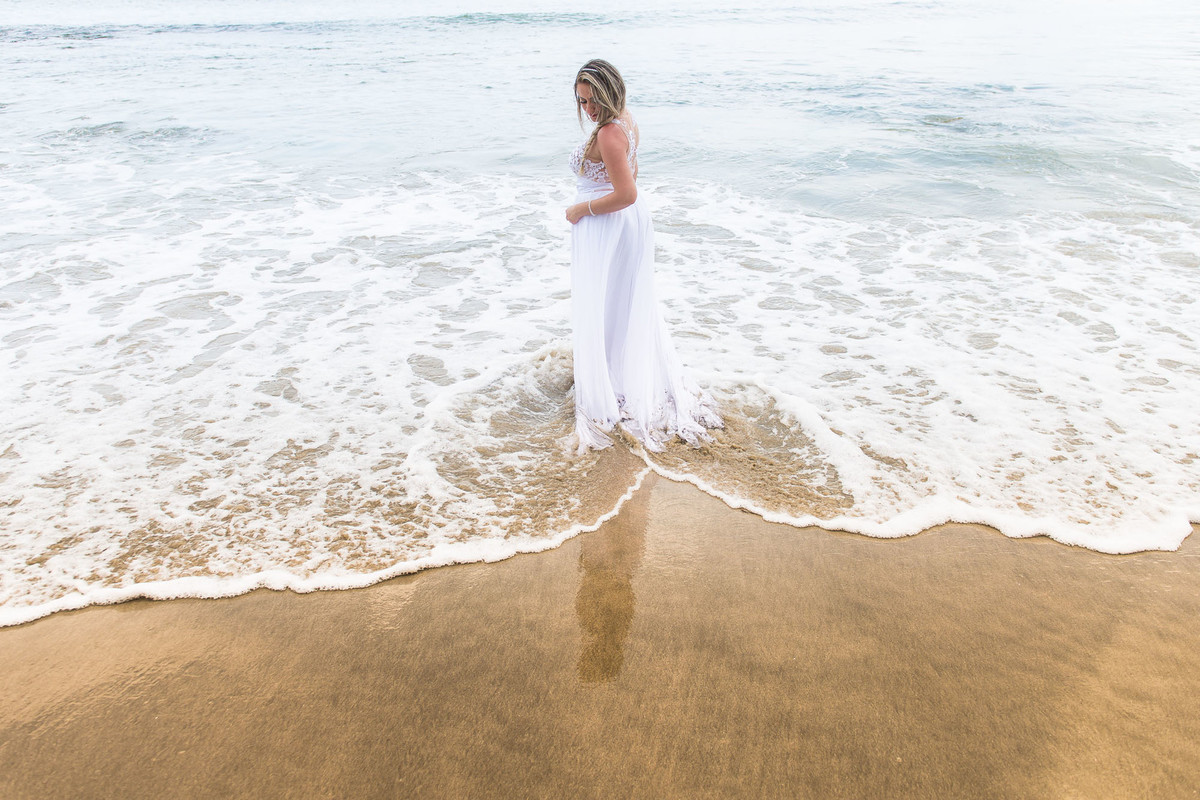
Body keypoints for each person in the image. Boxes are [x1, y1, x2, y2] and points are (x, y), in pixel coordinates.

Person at [565, 59, 721, 453]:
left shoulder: (609, 134)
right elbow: (630, 177)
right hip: (623, 223)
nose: (589, 109)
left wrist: (581, 209)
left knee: (608, 304)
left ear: (610, 93)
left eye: (594, 100)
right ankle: (616, 376)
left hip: (609, 222)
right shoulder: (625, 120)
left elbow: (626, 192)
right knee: (621, 304)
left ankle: (612, 388)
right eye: (582, 101)